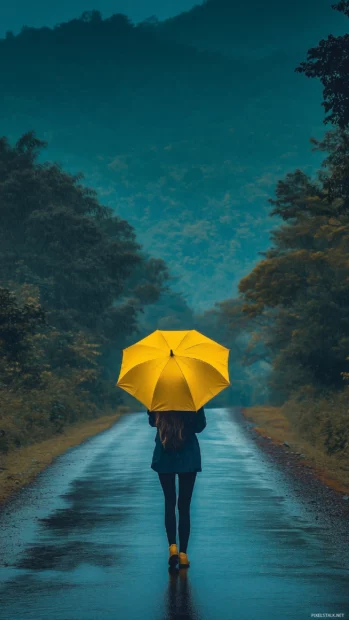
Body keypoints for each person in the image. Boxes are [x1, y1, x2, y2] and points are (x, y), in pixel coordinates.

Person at [147, 406, 207, 569]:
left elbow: (153, 423)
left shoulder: (158, 400)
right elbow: (200, 427)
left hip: (164, 453)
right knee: (184, 506)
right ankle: (183, 554)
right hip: (188, 456)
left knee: (169, 502)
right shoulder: (192, 400)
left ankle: (172, 546)